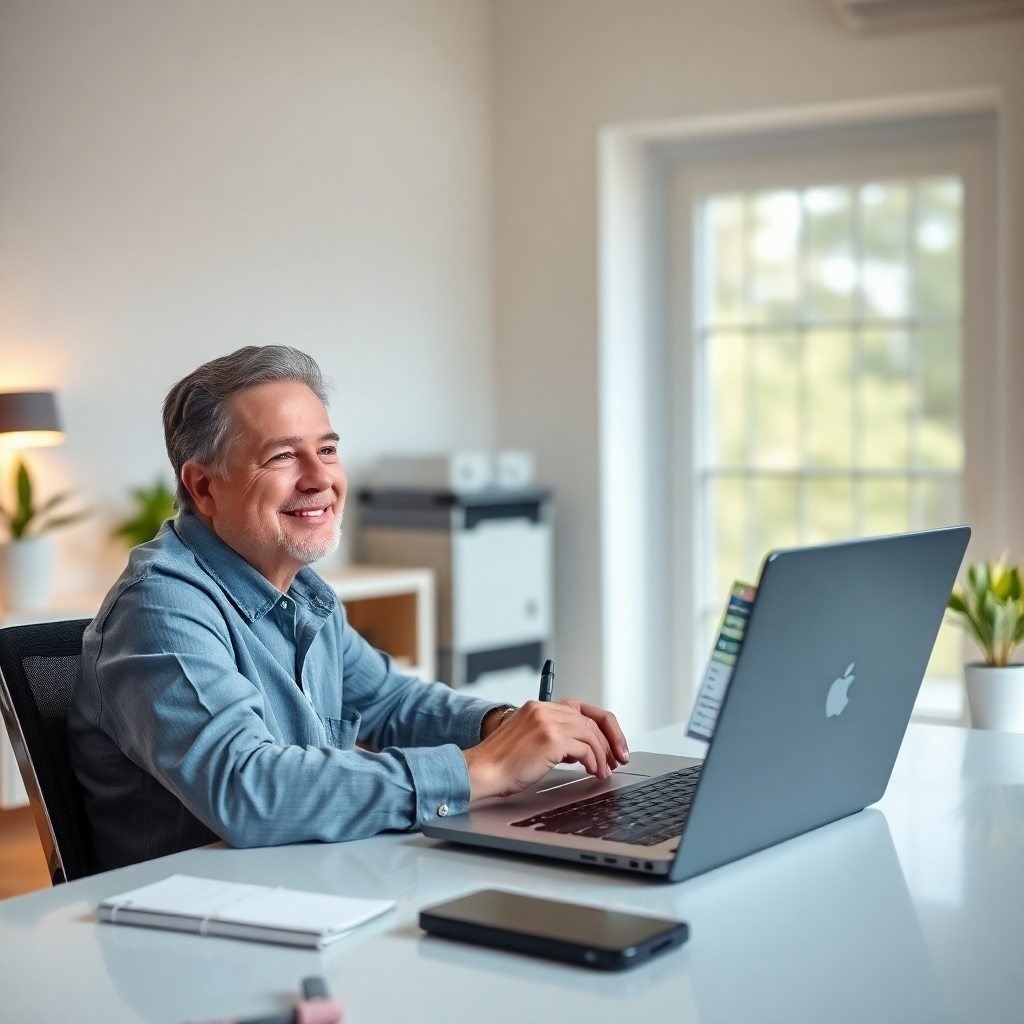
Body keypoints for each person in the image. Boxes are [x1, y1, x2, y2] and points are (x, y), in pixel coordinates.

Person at [69, 346, 628, 870]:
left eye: (328, 449)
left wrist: (503, 726)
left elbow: (389, 701)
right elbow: (248, 791)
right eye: (283, 455)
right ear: (205, 488)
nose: (320, 479)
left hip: (307, 885)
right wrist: (483, 768)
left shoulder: (300, 589)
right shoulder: (161, 607)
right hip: (193, 934)